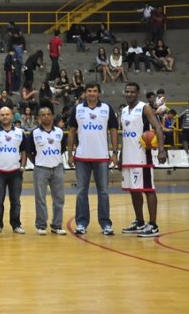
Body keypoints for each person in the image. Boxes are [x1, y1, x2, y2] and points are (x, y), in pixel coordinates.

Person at [67, 82, 119, 235]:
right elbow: (71, 132)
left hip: (102, 157)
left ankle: (106, 224)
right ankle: (81, 223)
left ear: (99, 93)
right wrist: (70, 154)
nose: (92, 93)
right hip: (81, 157)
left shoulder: (107, 108)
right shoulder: (77, 109)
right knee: (81, 191)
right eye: (89, 91)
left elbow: (113, 130)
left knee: (103, 192)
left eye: (95, 91)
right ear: (85, 93)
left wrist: (115, 152)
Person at [120, 83, 168, 238]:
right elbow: (125, 134)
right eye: (127, 91)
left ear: (138, 93)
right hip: (128, 157)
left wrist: (161, 150)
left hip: (142, 157)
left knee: (148, 189)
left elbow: (158, 128)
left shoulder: (144, 108)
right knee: (134, 191)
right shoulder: (124, 111)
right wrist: (121, 156)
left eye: (132, 92)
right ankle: (139, 221)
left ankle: (153, 225)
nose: (129, 94)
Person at [0, 106, 27, 235]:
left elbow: (24, 151)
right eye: (2, 115)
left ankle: (16, 225)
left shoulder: (20, 132)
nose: (4, 117)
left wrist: (22, 166)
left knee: (16, 201)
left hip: (16, 172)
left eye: (7, 114)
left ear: (11, 116)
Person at [26, 106, 67, 235]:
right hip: (40, 169)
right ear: (39, 118)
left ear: (52, 116)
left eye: (49, 114)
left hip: (57, 168)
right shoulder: (34, 133)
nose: (46, 116)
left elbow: (62, 148)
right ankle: (41, 225)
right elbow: (29, 151)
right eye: (43, 115)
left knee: (59, 198)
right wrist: (38, 162)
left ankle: (57, 225)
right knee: (40, 199)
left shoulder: (60, 132)